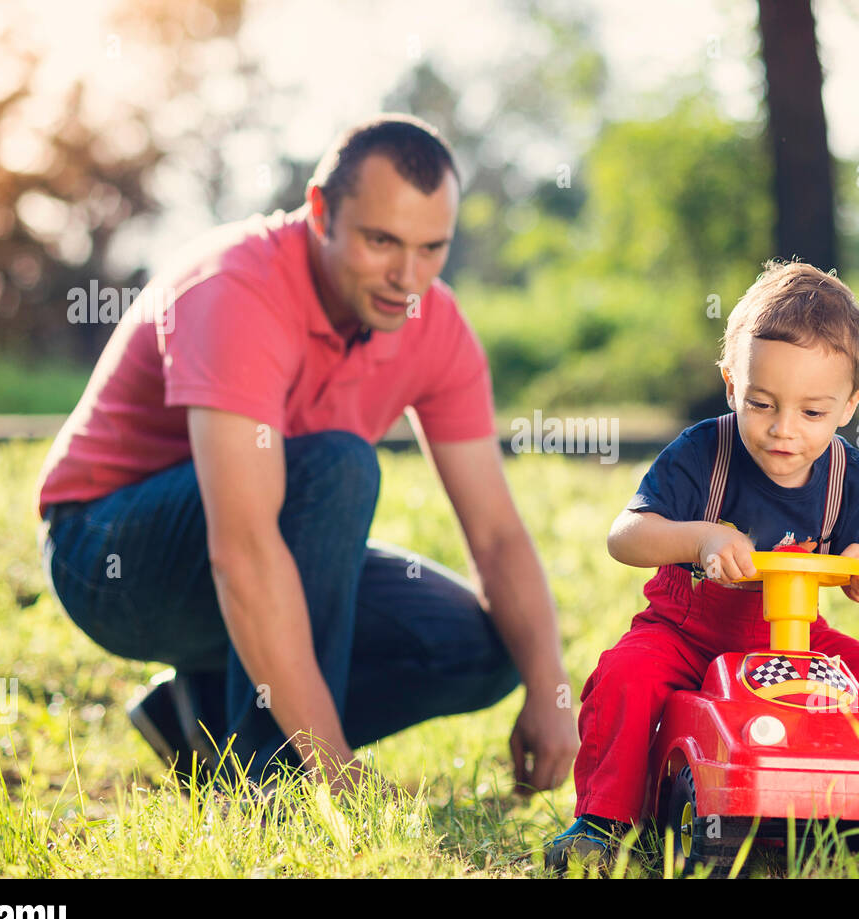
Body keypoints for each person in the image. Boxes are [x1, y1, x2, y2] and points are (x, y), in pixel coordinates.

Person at [33, 114, 578, 797]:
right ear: (320, 210)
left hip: (254, 541)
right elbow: (244, 549)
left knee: (484, 649)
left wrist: (552, 691)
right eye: (381, 240)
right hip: (110, 555)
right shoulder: (237, 287)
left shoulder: (433, 323)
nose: (406, 277)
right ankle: (276, 785)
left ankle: (201, 721)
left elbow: (496, 534)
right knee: (336, 469)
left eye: (431, 248)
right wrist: (334, 768)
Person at [545, 260, 859, 869]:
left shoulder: (846, 473)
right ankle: (605, 822)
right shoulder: (701, 452)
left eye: (812, 413)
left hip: (796, 643)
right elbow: (625, 537)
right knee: (625, 675)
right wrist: (701, 539)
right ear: (731, 384)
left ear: (851, 404)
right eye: (762, 403)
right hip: (685, 634)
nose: (783, 431)